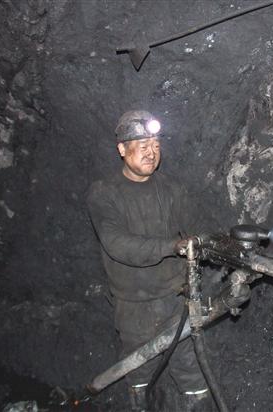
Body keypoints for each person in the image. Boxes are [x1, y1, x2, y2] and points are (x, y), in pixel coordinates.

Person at [87, 110, 209, 411]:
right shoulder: (104, 193)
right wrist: (173, 246)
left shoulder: (172, 190)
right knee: (139, 373)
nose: (151, 152)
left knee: (192, 371)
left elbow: (199, 229)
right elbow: (116, 243)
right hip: (133, 307)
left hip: (175, 301)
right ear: (122, 149)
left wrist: (214, 244)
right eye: (142, 145)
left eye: (155, 144)